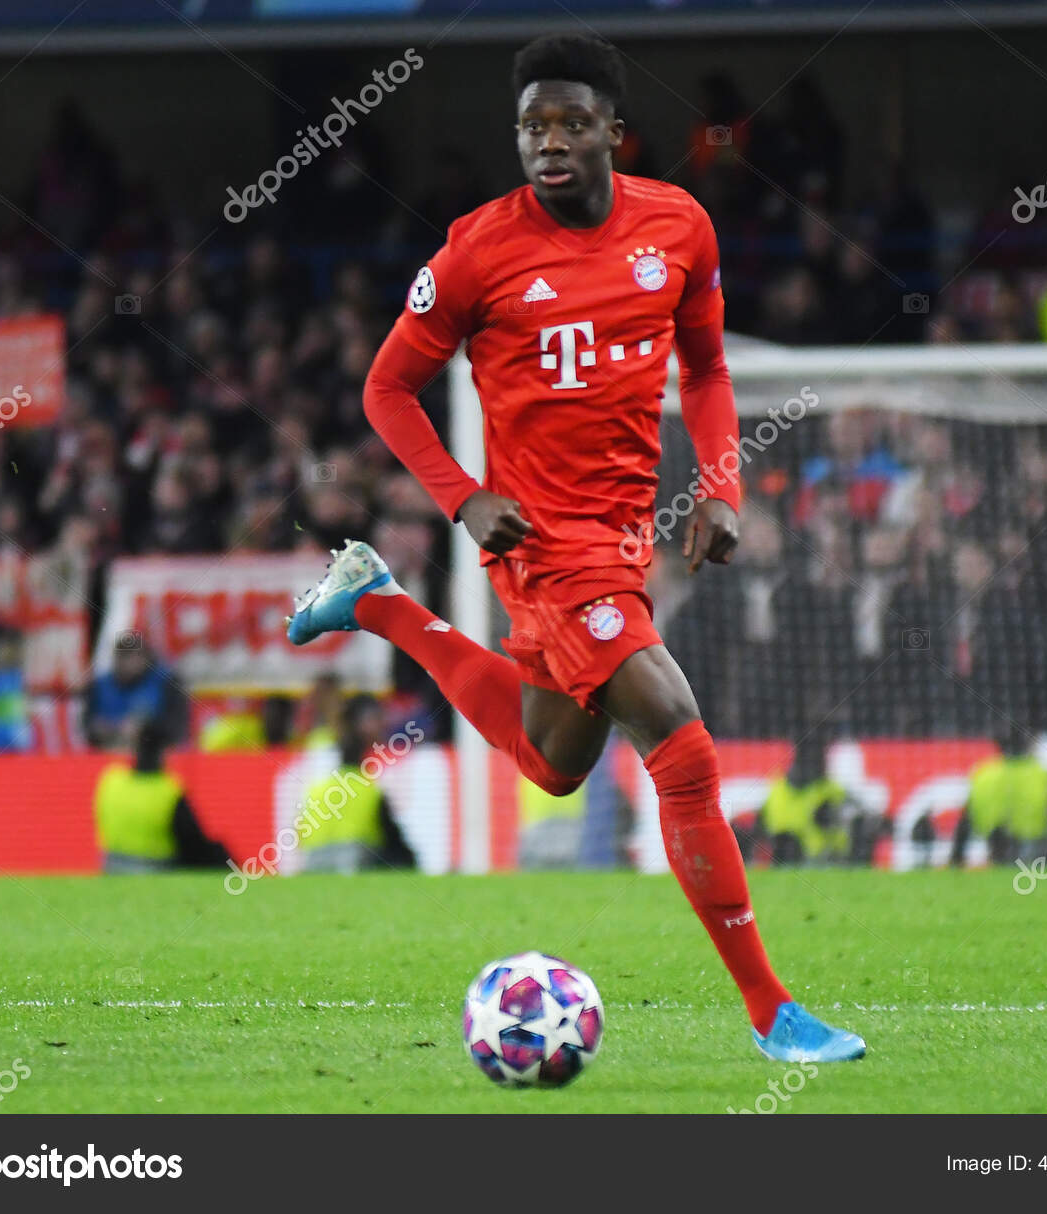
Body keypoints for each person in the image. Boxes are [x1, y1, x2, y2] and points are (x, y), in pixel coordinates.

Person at [286, 34, 863, 1063]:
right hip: (542, 544)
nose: (548, 142)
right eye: (530, 127)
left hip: (624, 532)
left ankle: (377, 600)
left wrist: (722, 487)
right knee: (679, 741)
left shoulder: (677, 225)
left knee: (554, 762)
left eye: (568, 122)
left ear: (612, 130)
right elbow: (385, 388)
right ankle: (772, 1008)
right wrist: (462, 500)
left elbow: (708, 367)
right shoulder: (474, 249)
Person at [94, 719, 231, 873]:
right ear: (163, 753)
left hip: (113, 866)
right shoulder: (167, 790)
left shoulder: (111, 780)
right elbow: (192, 842)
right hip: (157, 867)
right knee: (219, 853)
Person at [295, 702, 416, 873]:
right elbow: (393, 838)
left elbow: (298, 832)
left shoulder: (315, 789)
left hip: (314, 862)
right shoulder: (370, 789)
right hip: (356, 861)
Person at [950, 723, 1047, 867]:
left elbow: (965, 823)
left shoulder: (983, 774)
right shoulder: (1045, 775)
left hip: (995, 854)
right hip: (1038, 857)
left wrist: (956, 858)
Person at [83, 634, 188, 749]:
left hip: (152, 753)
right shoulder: (99, 685)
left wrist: (144, 729)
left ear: (144, 658)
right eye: (121, 656)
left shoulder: (167, 683)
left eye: (130, 656)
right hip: (108, 751)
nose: (125, 663)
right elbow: (86, 724)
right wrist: (97, 729)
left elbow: (176, 729)